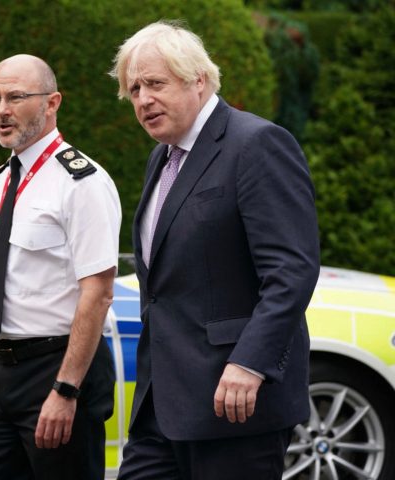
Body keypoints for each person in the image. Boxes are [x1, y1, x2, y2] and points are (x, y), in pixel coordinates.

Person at [109, 21, 320, 479]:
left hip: (234, 405)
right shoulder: (162, 157)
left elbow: (292, 270)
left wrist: (250, 361)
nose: (143, 99)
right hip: (162, 407)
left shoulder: (257, 144)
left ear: (198, 80)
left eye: (156, 84)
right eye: (135, 88)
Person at [0, 54, 121, 480]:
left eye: (16, 97)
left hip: (58, 369)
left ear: (52, 103)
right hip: (0, 377)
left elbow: (97, 292)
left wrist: (65, 389)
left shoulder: (83, 183)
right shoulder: (0, 182)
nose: (2, 110)